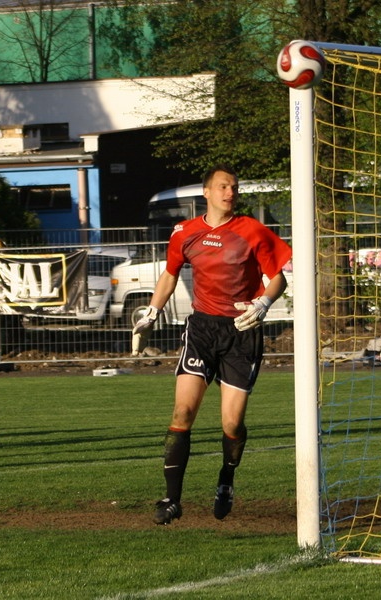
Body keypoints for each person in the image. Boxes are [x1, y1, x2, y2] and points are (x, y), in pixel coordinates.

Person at [131, 165, 292, 525]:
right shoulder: (185, 233)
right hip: (202, 329)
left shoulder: (252, 230)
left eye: (234, 187)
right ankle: (171, 499)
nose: (229, 192)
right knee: (182, 413)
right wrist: (152, 313)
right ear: (206, 192)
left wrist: (263, 304)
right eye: (222, 186)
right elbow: (170, 273)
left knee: (232, 424)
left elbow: (277, 278)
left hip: (241, 331)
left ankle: (226, 479)